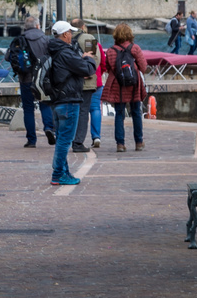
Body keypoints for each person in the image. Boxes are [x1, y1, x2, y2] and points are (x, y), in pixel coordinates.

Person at [45, 21, 95, 186]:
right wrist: (89, 59)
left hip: (58, 100)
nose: (72, 36)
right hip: (69, 100)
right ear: (65, 34)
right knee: (65, 140)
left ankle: (63, 172)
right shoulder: (65, 52)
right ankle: (58, 174)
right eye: (70, 33)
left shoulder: (53, 50)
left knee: (62, 139)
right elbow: (87, 70)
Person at [100, 23, 149, 152]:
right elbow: (143, 67)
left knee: (119, 114)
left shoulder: (110, 51)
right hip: (134, 85)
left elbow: (108, 68)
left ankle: (120, 144)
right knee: (136, 112)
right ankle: (139, 142)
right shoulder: (135, 48)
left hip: (118, 86)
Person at [73, 21, 101, 152]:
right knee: (83, 112)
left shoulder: (67, 39)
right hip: (86, 82)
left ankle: (70, 138)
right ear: (83, 26)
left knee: (72, 111)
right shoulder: (88, 38)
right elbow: (95, 58)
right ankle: (78, 142)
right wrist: (87, 71)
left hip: (70, 81)